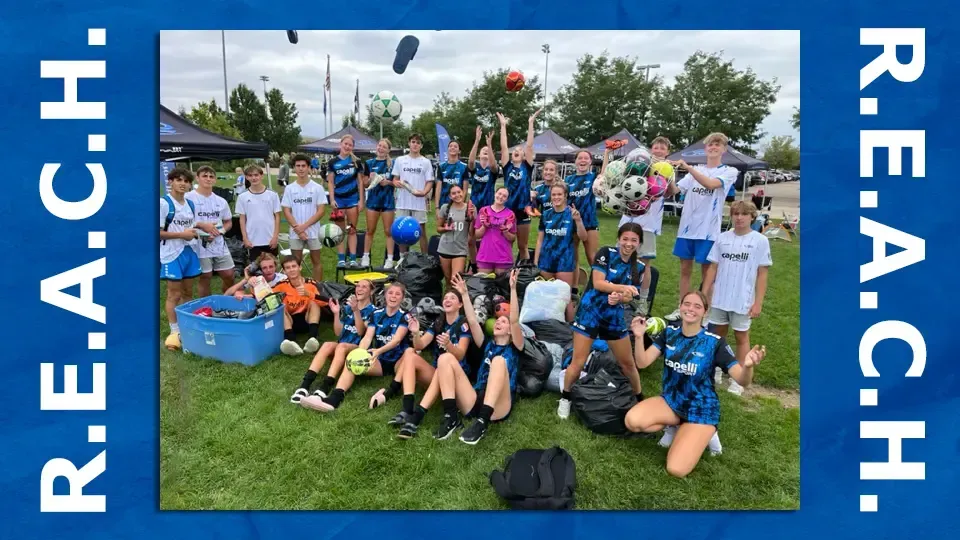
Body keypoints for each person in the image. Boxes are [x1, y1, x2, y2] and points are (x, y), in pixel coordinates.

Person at [625, 291, 768, 478]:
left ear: (705, 313)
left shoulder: (714, 342)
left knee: (676, 469)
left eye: (697, 306)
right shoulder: (669, 333)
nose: (691, 309)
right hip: (672, 401)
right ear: (681, 306)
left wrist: (747, 366)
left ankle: (705, 433)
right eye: (687, 304)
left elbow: (742, 380)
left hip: (702, 409)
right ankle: (676, 425)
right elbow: (642, 363)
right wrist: (638, 336)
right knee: (632, 421)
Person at [399, 271, 524, 444]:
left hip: (498, 405)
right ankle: (451, 417)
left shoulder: (514, 346)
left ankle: (482, 422)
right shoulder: (486, 343)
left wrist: (512, 288)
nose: (498, 322)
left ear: (510, 331)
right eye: (497, 321)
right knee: (444, 358)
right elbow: (472, 321)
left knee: (498, 361)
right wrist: (464, 294)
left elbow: (515, 320)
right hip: (474, 398)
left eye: (503, 322)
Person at [557, 223, 646, 419]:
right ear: (619, 238)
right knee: (578, 362)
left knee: (628, 364)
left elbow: (630, 297)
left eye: (634, 240)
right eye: (625, 239)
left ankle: (640, 398)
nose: (628, 244)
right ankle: (565, 398)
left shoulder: (639, 267)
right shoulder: (606, 253)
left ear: (639, 243)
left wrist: (619, 297)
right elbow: (598, 283)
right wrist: (622, 289)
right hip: (590, 312)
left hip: (613, 317)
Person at [301, 282, 412, 413]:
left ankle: (392, 390)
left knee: (406, 354)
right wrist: (360, 352)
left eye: (397, 294)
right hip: (381, 360)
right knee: (352, 362)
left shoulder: (404, 316)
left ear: (402, 297)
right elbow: (367, 337)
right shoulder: (377, 314)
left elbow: (397, 340)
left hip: (398, 360)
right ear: (385, 295)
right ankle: (334, 399)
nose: (393, 296)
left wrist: (378, 351)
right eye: (390, 293)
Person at [665, 133, 738, 321]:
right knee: (685, 271)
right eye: (710, 145)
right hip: (686, 230)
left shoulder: (729, 171)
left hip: (708, 231)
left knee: (708, 273)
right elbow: (674, 191)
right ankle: (682, 307)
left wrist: (688, 168)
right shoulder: (696, 170)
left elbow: (711, 184)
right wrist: (666, 175)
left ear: (724, 149)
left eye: (717, 145)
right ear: (705, 149)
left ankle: (704, 311)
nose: (713, 147)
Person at [702, 200, 772, 395]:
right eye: (735, 213)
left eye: (744, 214)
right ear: (731, 216)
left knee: (741, 337)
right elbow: (713, 267)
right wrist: (704, 294)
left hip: (742, 300)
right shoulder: (722, 238)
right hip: (719, 298)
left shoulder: (760, 240)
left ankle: (739, 379)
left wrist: (758, 302)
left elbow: (762, 273)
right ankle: (715, 369)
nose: (739, 217)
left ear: (752, 217)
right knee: (717, 335)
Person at [389, 290, 473, 438]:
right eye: (445, 298)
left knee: (444, 359)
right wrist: (415, 333)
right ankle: (407, 409)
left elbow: (460, 355)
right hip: (437, 374)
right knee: (409, 352)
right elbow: (419, 346)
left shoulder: (463, 323)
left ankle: (417, 416)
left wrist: (449, 345)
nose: (447, 300)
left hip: (455, 379)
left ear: (460, 304)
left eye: (452, 298)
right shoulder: (438, 322)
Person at [618, 137, 680, 315]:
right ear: (651, 149)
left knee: (644, 265)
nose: (659, 150)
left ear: (667, 151)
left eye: (662, 148)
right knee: (621, 260)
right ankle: (621, 295)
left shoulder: (668, 169)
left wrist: (667, 181)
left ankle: (643, 301)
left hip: (648, 224)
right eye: (656, 147)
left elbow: (673, 192)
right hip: (628, 220)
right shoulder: (638, 163)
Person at [291, 279, 376, 403]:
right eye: (358, 286)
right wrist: (336, 314)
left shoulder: (373, 311)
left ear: (371, 291)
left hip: (358, 348)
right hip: (342, 345)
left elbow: (361, 332)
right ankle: (304, 386)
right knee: (327, 344)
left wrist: (356, 310)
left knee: (341, 346)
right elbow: (338, 332)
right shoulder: (348, 308)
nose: (360, 289)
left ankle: (325, 387)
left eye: (364, 287)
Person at [160, 168, 201, 351]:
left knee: (187, 293)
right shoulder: (163, 203)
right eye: (178, 180)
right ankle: (174, 331)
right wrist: (182, 235)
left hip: (189, 252)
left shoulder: (191, 204)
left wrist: (196, 234)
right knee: (173, 294)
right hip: (171, 253)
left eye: (186, 181)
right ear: (170, 181)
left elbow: (190, 228)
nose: (183, 183)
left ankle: (187, 329)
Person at [534, 183, 587, 322]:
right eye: (554, 194)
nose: (556, 197)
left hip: (565, 260)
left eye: (559, 194)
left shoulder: (572, 214)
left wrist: (579, 221)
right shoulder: (545, 214)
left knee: (565, 297)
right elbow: (540, 240)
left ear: (565, 196)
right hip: (546, 260)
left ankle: (570, 327)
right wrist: (536, 260)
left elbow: (584, 237)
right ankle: (547, 325)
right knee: (545, 295)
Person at [497, 109, 541, 262]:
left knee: (523, 246)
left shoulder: (527, 168)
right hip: (507, 209)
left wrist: (531, 123)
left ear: (523, 156)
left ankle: (524, 272)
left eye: (519, 151)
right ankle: (506, 270)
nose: (516, 151)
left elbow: (529, 146)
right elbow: (503, 146)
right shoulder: (507, 166)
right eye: (514, 150)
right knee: (505, 243)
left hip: (523, 210)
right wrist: (503, 126)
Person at [186, 166, 235, 298]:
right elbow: (183, 222)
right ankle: (207, 306)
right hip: (198, 244)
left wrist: (221, 232)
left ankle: (227, 302)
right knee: (206, 276)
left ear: (215, 179)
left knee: (229, 274)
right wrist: (202, 227)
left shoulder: (221, 201)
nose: (208, 179)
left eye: (211, 176)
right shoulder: (188, 198)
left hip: (219, 243)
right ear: (197, 178)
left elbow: (228, 221)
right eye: (204, 176)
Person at [281, 154, 329, 282]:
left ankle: (317, 288)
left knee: (316, 262)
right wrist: (298, 229)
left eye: (303, 166)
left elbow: (321, 211)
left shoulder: (317, 188)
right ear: (294, 168)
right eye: (298, 166)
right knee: (295, 263)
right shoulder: (290, 189)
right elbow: (286, 211)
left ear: (308, 168)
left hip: (313, 232)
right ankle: (297, 289)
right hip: (295, 232)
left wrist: (304, 227)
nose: (301, 169)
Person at [326, 134, 368, 268]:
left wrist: (361, 200)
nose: (347, 147)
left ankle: (353, 258)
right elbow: (331, 182)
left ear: (352, 147)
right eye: (346, 144)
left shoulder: (356, 161)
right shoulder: (333, 162)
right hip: (339, 200)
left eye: (350, 145)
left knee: (352, 230)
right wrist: (332, 199)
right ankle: (341, 259)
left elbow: (360, 182)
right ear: (341, 144)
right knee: (339, 231)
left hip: (352, 200)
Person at [391, 133, 434, 257]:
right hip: (402, 202)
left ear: (421, 146)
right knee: (401, 230)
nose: (415, 144)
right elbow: (395, 179)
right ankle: (402, 259)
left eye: (418, 142)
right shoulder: (400, 160)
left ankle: (425, 259)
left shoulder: (425, 162)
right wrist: (396, 183)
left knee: (421, 231)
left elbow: (429, 181)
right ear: (409, 143)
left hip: (418, 202)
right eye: (413, 142)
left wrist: (424, 192)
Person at [272, 256, 323, 356]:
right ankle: (291, 341)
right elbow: (265, 296)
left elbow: (325, 302)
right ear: (284, 271)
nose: (291, 270)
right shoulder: (280, 285)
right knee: (279, 306)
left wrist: (309, 294)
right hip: (290, 322)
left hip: (308, 319)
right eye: (288, 268)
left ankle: (312, 338)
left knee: (314, 302)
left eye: (294, 266)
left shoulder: (311, 283)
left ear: (300, 267)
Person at [565, 150, 601, 290]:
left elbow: (604, 174)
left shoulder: (593, 177)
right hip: (572, 223)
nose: (583, 160)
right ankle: (574, 288)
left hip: (589, 222)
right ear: (575, 161)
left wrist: (606, 154)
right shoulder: (568, 180)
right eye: (580, 158)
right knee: (573, 258)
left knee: (592, 257)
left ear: (590, 162)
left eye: (586, 158)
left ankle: (599, 287)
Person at [466, 127, 499, 269]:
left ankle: (485, 264)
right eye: (483, 150)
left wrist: (489, 145)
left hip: (488, 208)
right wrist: (477, 141)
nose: (485, 151)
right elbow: (470, 162)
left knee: (486, 238)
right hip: (474, 207)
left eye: (488, 151)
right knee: (470, 239)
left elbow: (493, 165)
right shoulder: (476, 168)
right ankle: (473, 265)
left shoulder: (492, 171)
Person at [236, 164, 282, 262]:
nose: (254, 178)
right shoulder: (242, 196)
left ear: (262, 176)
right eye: (250, 175)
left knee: (271, 269)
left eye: (256, 175)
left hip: (269, 238)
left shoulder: (272, 194)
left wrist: (275, 237)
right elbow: (242, 219)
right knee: (255, 270)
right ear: (247, 177)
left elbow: (277, 217)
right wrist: (245, 238)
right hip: (253, 239)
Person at [363, 139, 395, 268]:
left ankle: (390, 259)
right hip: (373, 201)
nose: (381, 148)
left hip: (388, 201)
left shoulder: (393, 164)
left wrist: (388, 182)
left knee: (389, 232)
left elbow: (397, 182)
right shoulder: (369, 163)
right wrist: (370, 179)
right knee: (370, 230)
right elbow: (364, 183)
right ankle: (365, 256)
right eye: (379, 146)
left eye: (384, 147)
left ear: (388, 150)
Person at [436, 185, 474, 288]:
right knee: (448, 280)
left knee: (456, 280)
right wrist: (445, 229)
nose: (457, 195)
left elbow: (472, 233)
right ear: (449, 196)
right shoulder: (445, 208)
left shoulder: (469, 208)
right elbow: (438, 228)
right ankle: (447, 301)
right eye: (454, 193)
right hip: (445, 248)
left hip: (460, 250)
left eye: (459, 192)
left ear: (463, 192)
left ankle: (459, 302)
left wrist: (472, 218)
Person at [474, 187, 516, 275]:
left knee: (501, 286)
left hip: (503, 257)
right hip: (485, 255)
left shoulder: (510, 214)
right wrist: (484, 226)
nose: (501, 197)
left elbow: (512, 238)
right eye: (499, 194)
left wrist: (505, 231)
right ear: (495, 194)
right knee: (482, 286)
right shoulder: (483, 210)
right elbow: (477, 235)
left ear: (507, 199)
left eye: (504, 196)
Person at [435, 139, 469, 219]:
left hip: (458, 205)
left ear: (459, 151)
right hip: (443, 204)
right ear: (448, 149)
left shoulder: (464, 167)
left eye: (455, 146)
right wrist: (437, 208)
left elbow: (465, 190)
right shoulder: (441, 166)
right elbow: (438, 188)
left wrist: (461, 205)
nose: (452, 148)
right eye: (450, 146)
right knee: (443, 229)